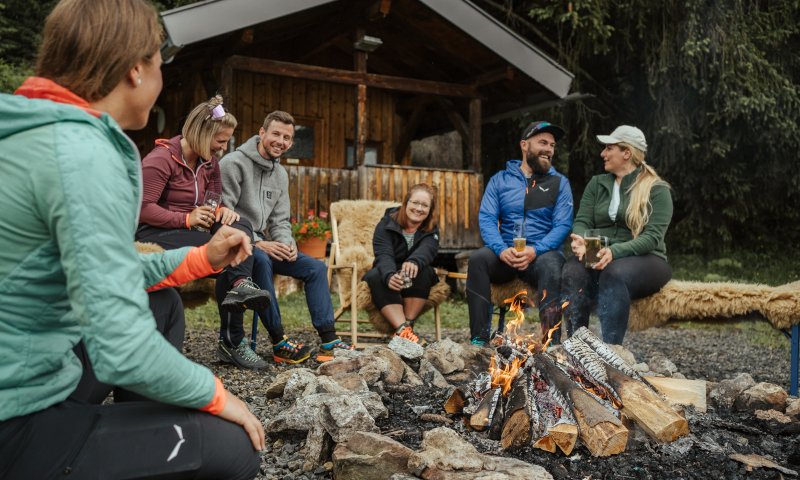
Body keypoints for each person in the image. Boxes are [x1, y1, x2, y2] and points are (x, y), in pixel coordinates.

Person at [0, 1, 263, 478]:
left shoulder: (26, 128)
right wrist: (218, 396)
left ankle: (133, 444)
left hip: (28, 367)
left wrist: (203, 257)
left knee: (161, 304)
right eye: (162, 64)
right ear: (135, 71)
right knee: (235, 447)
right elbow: (120, 344)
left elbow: (109, 273)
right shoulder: (82, 154)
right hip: (16, 418)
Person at [136, 95, 273, 369]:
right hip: (155, 233)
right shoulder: (161, 159)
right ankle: (233, 340)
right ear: (201, 133)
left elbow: (214, 199)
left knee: (241, 228)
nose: (223, 149)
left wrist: (222, 211)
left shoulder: (209, 163)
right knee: (231, 253)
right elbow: (142, 209)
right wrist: (186, 219)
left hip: (194, 228)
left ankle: (238, 291)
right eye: (220, 141)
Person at [220, 110, 353, 365]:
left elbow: (280, 221)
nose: (281, 141)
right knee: (262, 260)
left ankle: (329, 340)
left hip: (264, 243)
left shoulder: (280, 175)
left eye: (287, 137)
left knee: (314, 266)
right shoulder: (232, 163)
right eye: (276, 134)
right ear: (262, 133)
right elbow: (225, 217)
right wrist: (260, 243)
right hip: (236, 244)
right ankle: (280, 342)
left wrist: (287, 244)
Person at [562, 125, 672, 344]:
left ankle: (612, 351)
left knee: (613, 273)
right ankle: (578, 347)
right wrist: (582, 242)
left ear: (627, 153)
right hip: (600, 254)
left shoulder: (657, 190)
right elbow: (583, 220)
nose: (603, 153)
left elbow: (651, 238)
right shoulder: (597, 184)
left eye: (609, 148)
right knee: (572, 271)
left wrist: (614, 251)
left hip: (648, 259)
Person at [467, 121, 574, 345]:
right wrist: (500, 249)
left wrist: (536, 250)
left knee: (552, 264)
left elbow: (563, 225)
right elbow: (486, 218)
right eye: (542, 142)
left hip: (541, 255)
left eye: (552, 145)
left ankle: (551, 343)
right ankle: (478, 340)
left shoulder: (559, 183)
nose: (549, 149)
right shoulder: (500, 180)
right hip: (506, 252)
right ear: (524, 145)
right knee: (478, 259)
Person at [363, 184, 441, 344]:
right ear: (406, 203)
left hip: (413, 278)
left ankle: (407, 326)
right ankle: (403, 330)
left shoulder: (431, 229)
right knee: (376, 275)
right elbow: (383, 254)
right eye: (415, 203)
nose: (419, 208)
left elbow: (429, 249)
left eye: (424, 205)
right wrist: (389, 275)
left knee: (425, 271)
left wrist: (415, 261)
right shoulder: (386, 224)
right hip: (388, 275)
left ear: (430, 210)